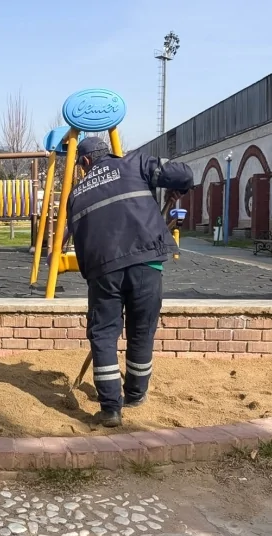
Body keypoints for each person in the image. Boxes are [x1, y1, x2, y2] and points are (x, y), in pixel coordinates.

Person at [67, 137, 193, 427]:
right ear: (106, 154)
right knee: (141, 330)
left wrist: (92, 276)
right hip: (145, 263)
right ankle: (135, 394)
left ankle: (111, 409)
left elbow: (82, 240)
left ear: (85, 162)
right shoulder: (134, 163)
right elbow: (184, 173)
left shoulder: (76, 194)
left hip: (103, 271)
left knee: (103, 335)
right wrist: (178, 187)